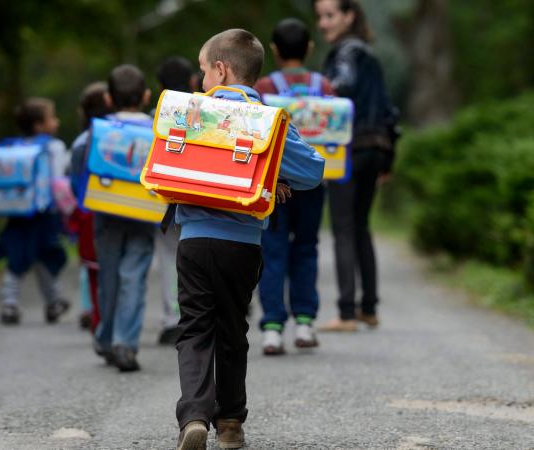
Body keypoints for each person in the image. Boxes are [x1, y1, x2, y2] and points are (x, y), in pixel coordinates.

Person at [174, 29, 325, 450]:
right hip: (243, 243)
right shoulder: (269, 120)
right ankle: (230, 423)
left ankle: (194, 415)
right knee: (232, 329)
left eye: (204, 71)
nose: (202, 81)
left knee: (193, 327)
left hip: (194, 238)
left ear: (220, 70)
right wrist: (273, 170)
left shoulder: (192, 111)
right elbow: (313, 171)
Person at [252, 18, 335, 355]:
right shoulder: (325, 87)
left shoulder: (265, 88)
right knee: (306, 248)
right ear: (309, 48)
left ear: (273, 49)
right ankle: (304, 322)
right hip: (313, 184)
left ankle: (272, 327)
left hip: (275, 184)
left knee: (271, 251)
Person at [314, 0, 397, 332]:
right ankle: (369, 308)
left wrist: (319, 88)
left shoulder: (346, 53)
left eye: (329, 15)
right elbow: (392, 113)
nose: (323, 23)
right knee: (361, 226)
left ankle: (346, 313)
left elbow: (340, 86)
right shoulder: (371, 54)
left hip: (349, 149)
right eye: (319, 17)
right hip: (377, 147)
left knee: (344, 228)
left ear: (349, 16)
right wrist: (389, 158)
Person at [71, 65, 156, 373]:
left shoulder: (96, 131)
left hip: (105, 211)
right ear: (146, 96)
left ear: (108, 99)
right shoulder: (158, 129)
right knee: (134, 276)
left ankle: (105, 337)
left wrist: (84, 200)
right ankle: (125, 343)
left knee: (108, 276)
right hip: (145, 213)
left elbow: (77, 167)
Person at [0, 97, 71, 325]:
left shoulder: (13, 147)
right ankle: (53, 300)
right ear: (39, 125)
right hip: (45, 215)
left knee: (16, 257)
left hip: (18, 214)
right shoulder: (53, 148)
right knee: (46, 258)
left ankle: (9, 303)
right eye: (52, 117)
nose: (56, 122)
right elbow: (58, 181)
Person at [152, 56, 196, 346]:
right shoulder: (206, 112)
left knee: (169, 258)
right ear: (193, 80)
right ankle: (198, 316)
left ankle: (173, 319)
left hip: (166, 201)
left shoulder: (156, 114)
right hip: (199, 199)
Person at [70, 81, 113, 331]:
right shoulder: (121, 136)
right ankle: (113, 324)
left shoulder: (80, 142)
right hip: (120, 212)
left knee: (94, 273)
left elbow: (76, 185)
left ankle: (98, 320)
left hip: (89, 216)